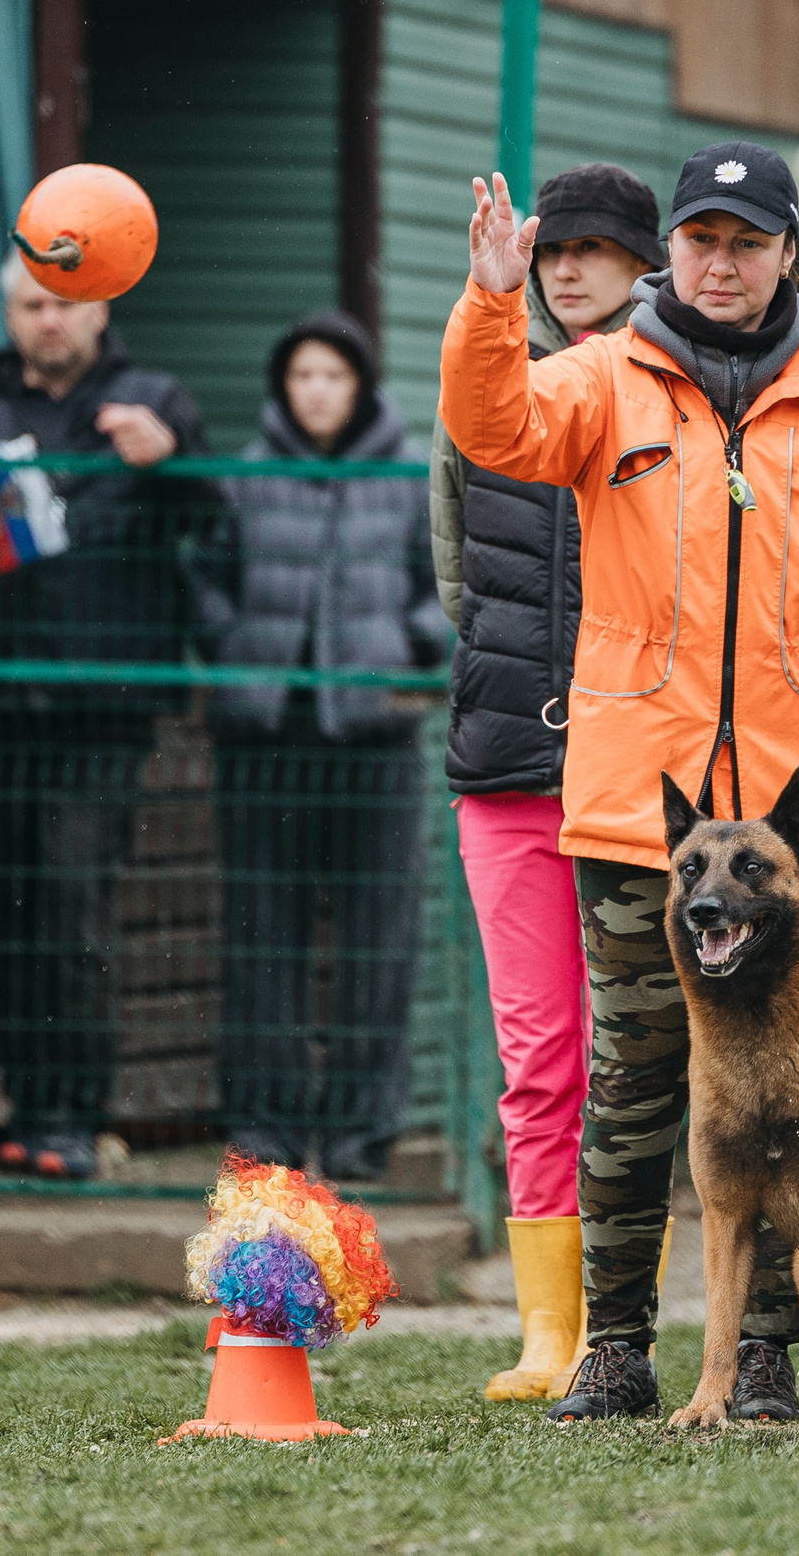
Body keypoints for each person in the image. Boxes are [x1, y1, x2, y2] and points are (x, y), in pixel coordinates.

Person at [441, 144, 799, 1423]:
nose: (718, 263)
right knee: (632, 1085)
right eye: (699, 240)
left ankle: (765, 1364)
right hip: (645, 816)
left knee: (795, 1107)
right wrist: (491, 302)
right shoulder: (598, 379)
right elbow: (491, 426)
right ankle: (613, 1351)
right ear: (667, 254)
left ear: (788, 255)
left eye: (745, 241)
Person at [0, 253, 205, 1180]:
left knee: (74, 907)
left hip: (103, 706)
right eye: (28, 305)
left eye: (62, 304)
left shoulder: (153, 400)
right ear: (8, 316)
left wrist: (170, 462)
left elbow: (211, 521)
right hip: (1, 706)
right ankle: (24, 1113)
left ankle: (79, 1112)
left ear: (100, 309)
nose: (46, 320)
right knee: (11, 916)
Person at [428, 163, 666, 1400]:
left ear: (645, 265)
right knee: (541, 1053)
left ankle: (633, 1315)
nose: (566, 269)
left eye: (592, 250)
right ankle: (546, 1327)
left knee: (642, 1051)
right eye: (552, 248)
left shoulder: (670, 388)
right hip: (509, 763)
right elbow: (458, 571)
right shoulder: (487, 381)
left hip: (639, 772)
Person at [187, 310, 450, 1181]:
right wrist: (234, 650)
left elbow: (443, 583)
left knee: (379, 937)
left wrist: (405, 646)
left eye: (333, 375)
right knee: (264, 936)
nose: (317, 391)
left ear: (361, 385)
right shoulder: (247, 476)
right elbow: (207, 579)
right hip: (265, 739)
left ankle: (360, 1130)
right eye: (302, 376)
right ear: (282, 389)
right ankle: (264, 1123)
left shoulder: (408, 477)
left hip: (372, 739)